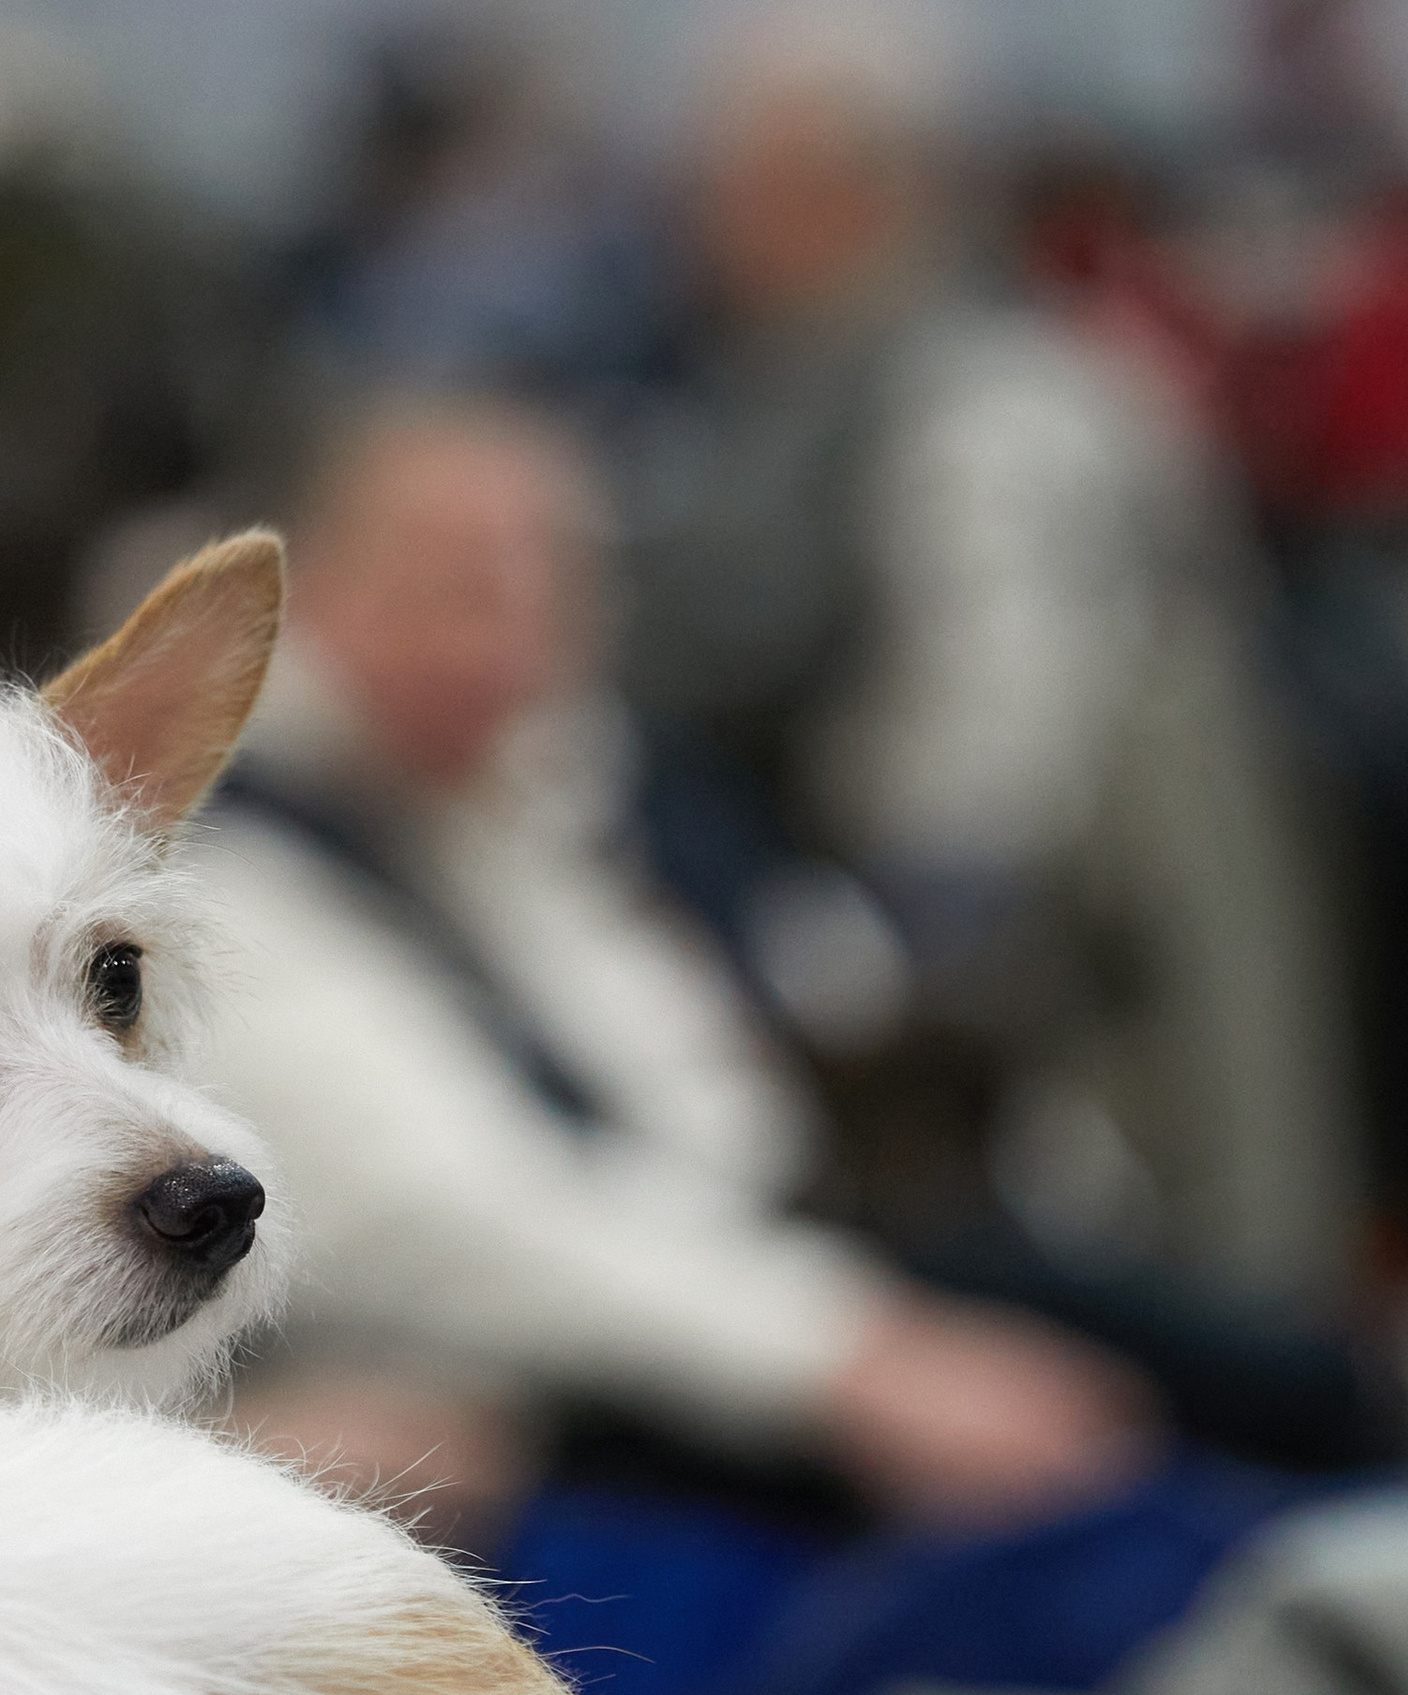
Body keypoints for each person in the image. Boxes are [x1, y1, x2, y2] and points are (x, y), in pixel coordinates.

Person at [199, 397, 1151, 1538]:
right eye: (451, 582)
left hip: (847, 1277)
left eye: (550, 578)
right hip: (608, 1412)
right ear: (305, 596)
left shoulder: (622, 792)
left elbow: (848, 1014)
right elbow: (460, 1225)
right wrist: (852, 1360)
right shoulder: (236, 861)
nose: (509, 626)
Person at [615, 0, 1362, 1318]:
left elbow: (986, 766)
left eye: (734, 185)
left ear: (847, 189)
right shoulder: (793, 381)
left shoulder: (993, 399)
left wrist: (855, 957)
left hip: (1080, 989)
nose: (703, 220)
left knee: (1198, 1291)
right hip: (1011, 945)